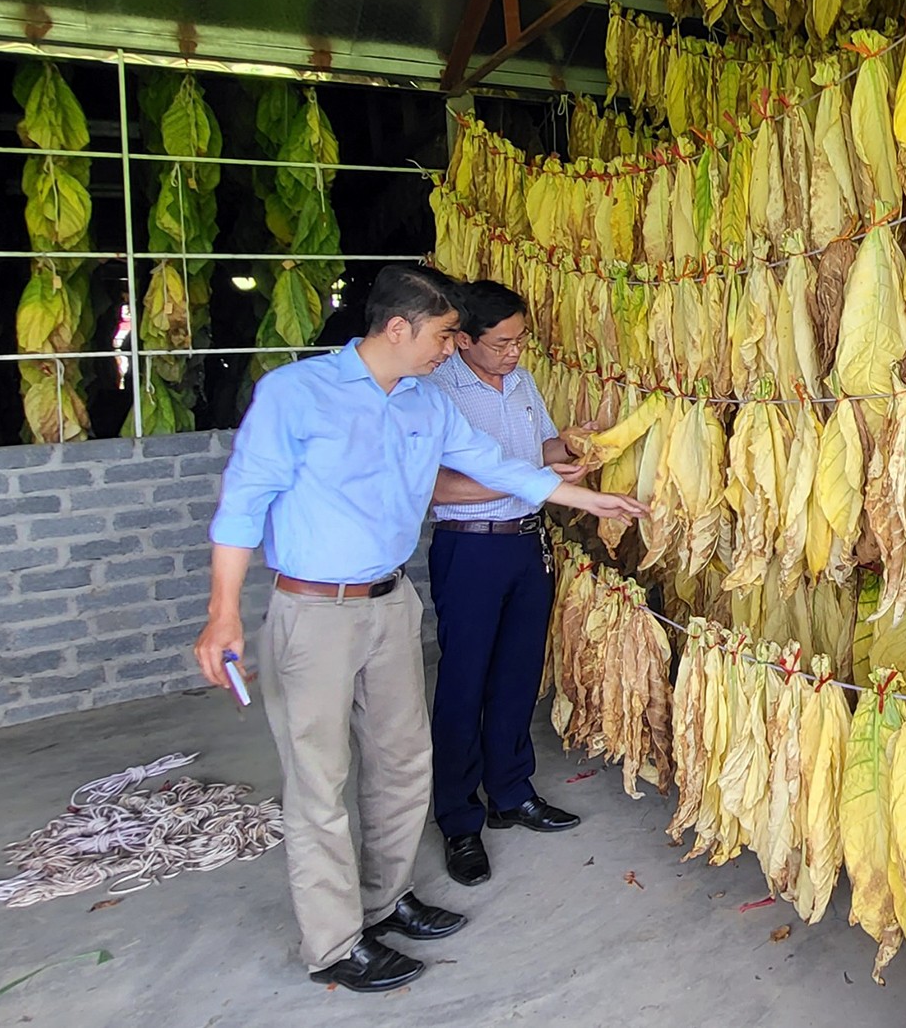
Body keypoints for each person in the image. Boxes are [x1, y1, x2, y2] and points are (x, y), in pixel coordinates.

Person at [193, 265, 644, 995]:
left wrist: (587, 501)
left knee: (402, 761)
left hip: (390, 601)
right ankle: (336, 943)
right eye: (441, 336)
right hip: (313, 610)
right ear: (398, 328)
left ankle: (387, 898)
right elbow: (243, 507)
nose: (448, 349)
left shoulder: (421, 404)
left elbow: (497, 464)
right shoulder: (294, 395)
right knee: (319, 780)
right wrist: (222, 614)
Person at [423, 280, 581, 888]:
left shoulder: (520, 382)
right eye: (501, 343)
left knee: (517, 673)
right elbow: (440, 487)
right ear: (463, 339)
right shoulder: (435, 393)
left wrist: (567, 449)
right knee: (464, 682)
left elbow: (541, 445)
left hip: (526, 543)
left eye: (520, 341)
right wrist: (528, 481)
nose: (514, 353)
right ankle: (460, 821)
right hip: (471, 547)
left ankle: (512, 792)